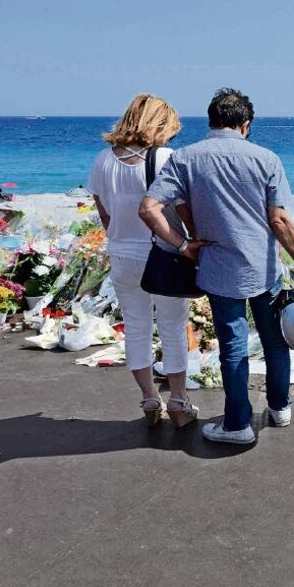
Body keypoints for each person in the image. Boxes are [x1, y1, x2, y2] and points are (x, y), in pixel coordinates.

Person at [140, 88, 294, 445]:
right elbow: (279, 220)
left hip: (219, 269)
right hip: (264, 270)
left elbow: (148, 209)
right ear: (245, 125)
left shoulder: (186, 158)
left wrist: (183, 245)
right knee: (274, 341)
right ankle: (280, 408)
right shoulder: (266, 159)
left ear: (210, 122)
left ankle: (238, 425)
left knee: (233, 348)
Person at [88, 94, 196, 427]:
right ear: (161, 124)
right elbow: (181, 207)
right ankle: (178, 403)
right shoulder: (166, 157)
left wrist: (122, 238)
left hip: (122, 254)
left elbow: (104, 213)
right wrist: (191, 242)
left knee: (136, 328)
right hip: (163, 253)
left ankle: (150, 400)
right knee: (173, 329)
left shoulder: (103, 160)